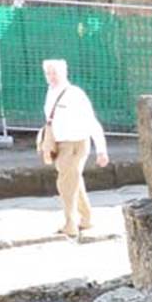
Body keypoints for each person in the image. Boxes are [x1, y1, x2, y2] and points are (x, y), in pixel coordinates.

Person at [41, 59, 109, 238]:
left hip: (76, 143)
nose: (52, 76)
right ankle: (86, 218)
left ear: (64, 73)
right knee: (73, 180)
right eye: (48, 73)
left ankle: (70, 223)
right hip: (61, 143)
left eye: (55, 72)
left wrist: (101, 150)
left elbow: (92, 122)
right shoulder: (50, 92)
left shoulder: (75, 94)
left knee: (65, 183)